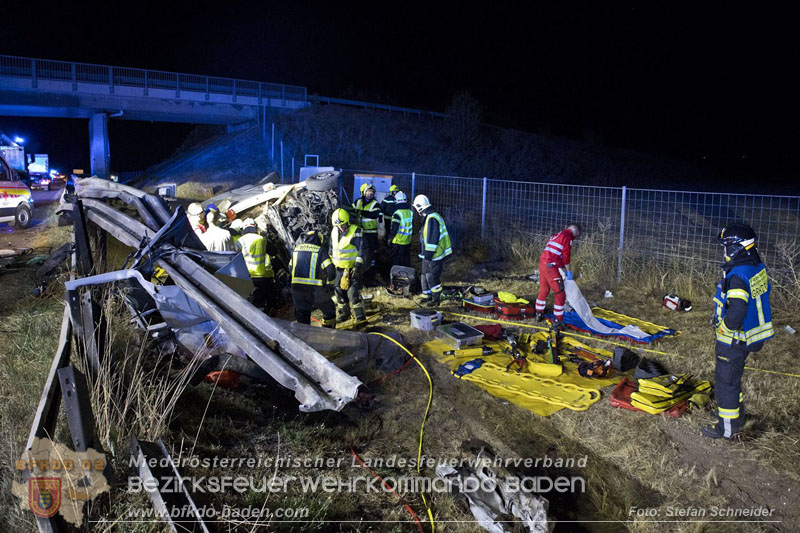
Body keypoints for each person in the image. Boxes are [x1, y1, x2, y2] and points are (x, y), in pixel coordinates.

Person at [703, 223, 774, 440]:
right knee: (733, 378)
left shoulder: (737, 276)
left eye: (726, 246)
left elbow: (737, 309)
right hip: (752, 335)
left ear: (737, 248)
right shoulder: (755, 266)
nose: (724, 251)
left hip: (735, 338)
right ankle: (736, 416)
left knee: (726, 382)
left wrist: (724, 329)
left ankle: (727, 428)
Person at [534, 223, 581, 326]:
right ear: (576, 233)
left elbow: (555, 253)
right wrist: (568, 271)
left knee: (544, 290)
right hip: (551, 266)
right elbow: (566, 256)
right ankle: (558, 320)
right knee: (560, 293)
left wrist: (561, 267)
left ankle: (538, 313)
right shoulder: (568, 237)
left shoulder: (557, 235)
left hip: (543, 263)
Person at [290, 231, 337, 327]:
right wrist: (329, 284)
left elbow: (290, 268)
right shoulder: (320, 251)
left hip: (297, 289)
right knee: (329, 310)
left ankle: (304, 338)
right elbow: (331, 270)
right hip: (315, 290)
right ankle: (329, 333)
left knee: (302, 316)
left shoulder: (296, 250)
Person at [330, 208, 368, 325]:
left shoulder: (356, 231)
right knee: (338, 292)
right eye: (338, 226)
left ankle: (360, 318)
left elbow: (362, 251)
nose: (341, 228)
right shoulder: (334, 231)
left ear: (347, 222)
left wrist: (357, 267)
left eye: (343, 225)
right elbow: (331, 249)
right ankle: (344, 313)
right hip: (338, 269)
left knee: (352, 294)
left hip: (352, 270)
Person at [412, 194, 452, 306]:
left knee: (431, 276)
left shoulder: (432, 219)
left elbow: (432, 239)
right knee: (424, 275)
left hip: (434, 255)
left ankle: (436, 299)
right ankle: (426, 295)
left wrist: (428, 255)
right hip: (428, 254)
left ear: (420, 207)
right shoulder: (429, 216)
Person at [236, 218, 279, 315]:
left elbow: (235, 258)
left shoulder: (239, 241)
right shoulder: (261, 239)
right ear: (255, 227)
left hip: (245, 276)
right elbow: (274, 252)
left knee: (250, 302)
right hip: (260, 275)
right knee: (262, 301)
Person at [352, 183, 382, 270]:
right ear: (364, 192)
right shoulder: (358, 202)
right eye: (369, 191)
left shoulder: (375, 203)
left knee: (371, 250)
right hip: (359, 231)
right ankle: (359, 266)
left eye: (372, 192)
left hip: (371, 232)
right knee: (360, 250)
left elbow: (375, 214)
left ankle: (371, 269)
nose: (370, 193)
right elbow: (351, 211)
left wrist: (361, 212)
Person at [388, 191, 413, 267]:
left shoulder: (397, 213)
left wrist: (390, 238)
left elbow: (394, 228)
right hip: (407, 241)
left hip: (398, 241)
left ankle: (397, 277)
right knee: (406, 260)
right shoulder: (410, 212)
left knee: (397, 261)